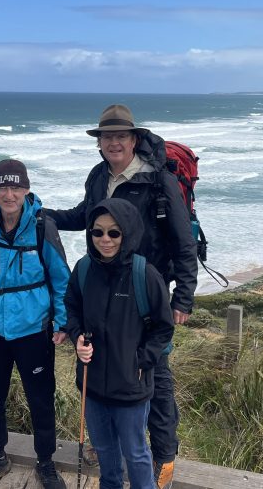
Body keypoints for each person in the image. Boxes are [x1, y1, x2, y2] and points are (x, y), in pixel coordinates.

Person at [47, 103, 197, 488]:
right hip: (105, 284)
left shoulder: (157, 180)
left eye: (120, 136)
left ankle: (163, 455)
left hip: (147, 288)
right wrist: (43, 214)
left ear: (134, 140)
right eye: (106, 137)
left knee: (154, 373)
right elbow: (86, 216)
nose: (113, 143)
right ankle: (109, 444)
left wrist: (183, 296)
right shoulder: (99, 175)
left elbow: (183, 239)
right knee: (105, 359)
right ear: (99, 144)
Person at [0, 160, 70, 489]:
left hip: (34, 329)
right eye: (2, 187)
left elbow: (61, 279)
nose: (9, 194)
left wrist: (62, 321)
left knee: (40, 397)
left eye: (16, 187)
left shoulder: (42, 227)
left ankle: (46, 462)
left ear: (26, 190)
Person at [64, 198, 174, 489]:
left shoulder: (145, 275)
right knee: (105, 452)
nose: (105, 239)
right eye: (97, 232)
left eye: (114, 233)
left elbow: (164, 328)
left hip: (131, 386)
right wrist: (76, 338)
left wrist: (141, 361)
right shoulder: (84, 268)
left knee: (136, 454)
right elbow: (71, 309)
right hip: (92, 383)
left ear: (128, 233)